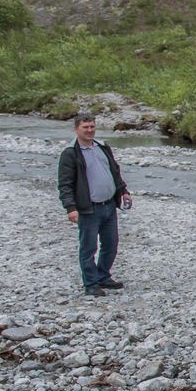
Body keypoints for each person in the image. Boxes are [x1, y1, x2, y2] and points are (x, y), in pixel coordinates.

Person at [57, 114, 132, 297]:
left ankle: (103, 275)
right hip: (88, 208)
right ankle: (90, 283)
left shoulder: (102, 147)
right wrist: (71, 208)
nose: (90, 130)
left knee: (111, 244)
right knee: (89, 247)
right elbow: (65, 184)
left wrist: (123, 190)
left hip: (109, 205)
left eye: (92, 127)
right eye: (86, 127)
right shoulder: (70, 153)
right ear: (76, 130)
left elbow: (114, 171)